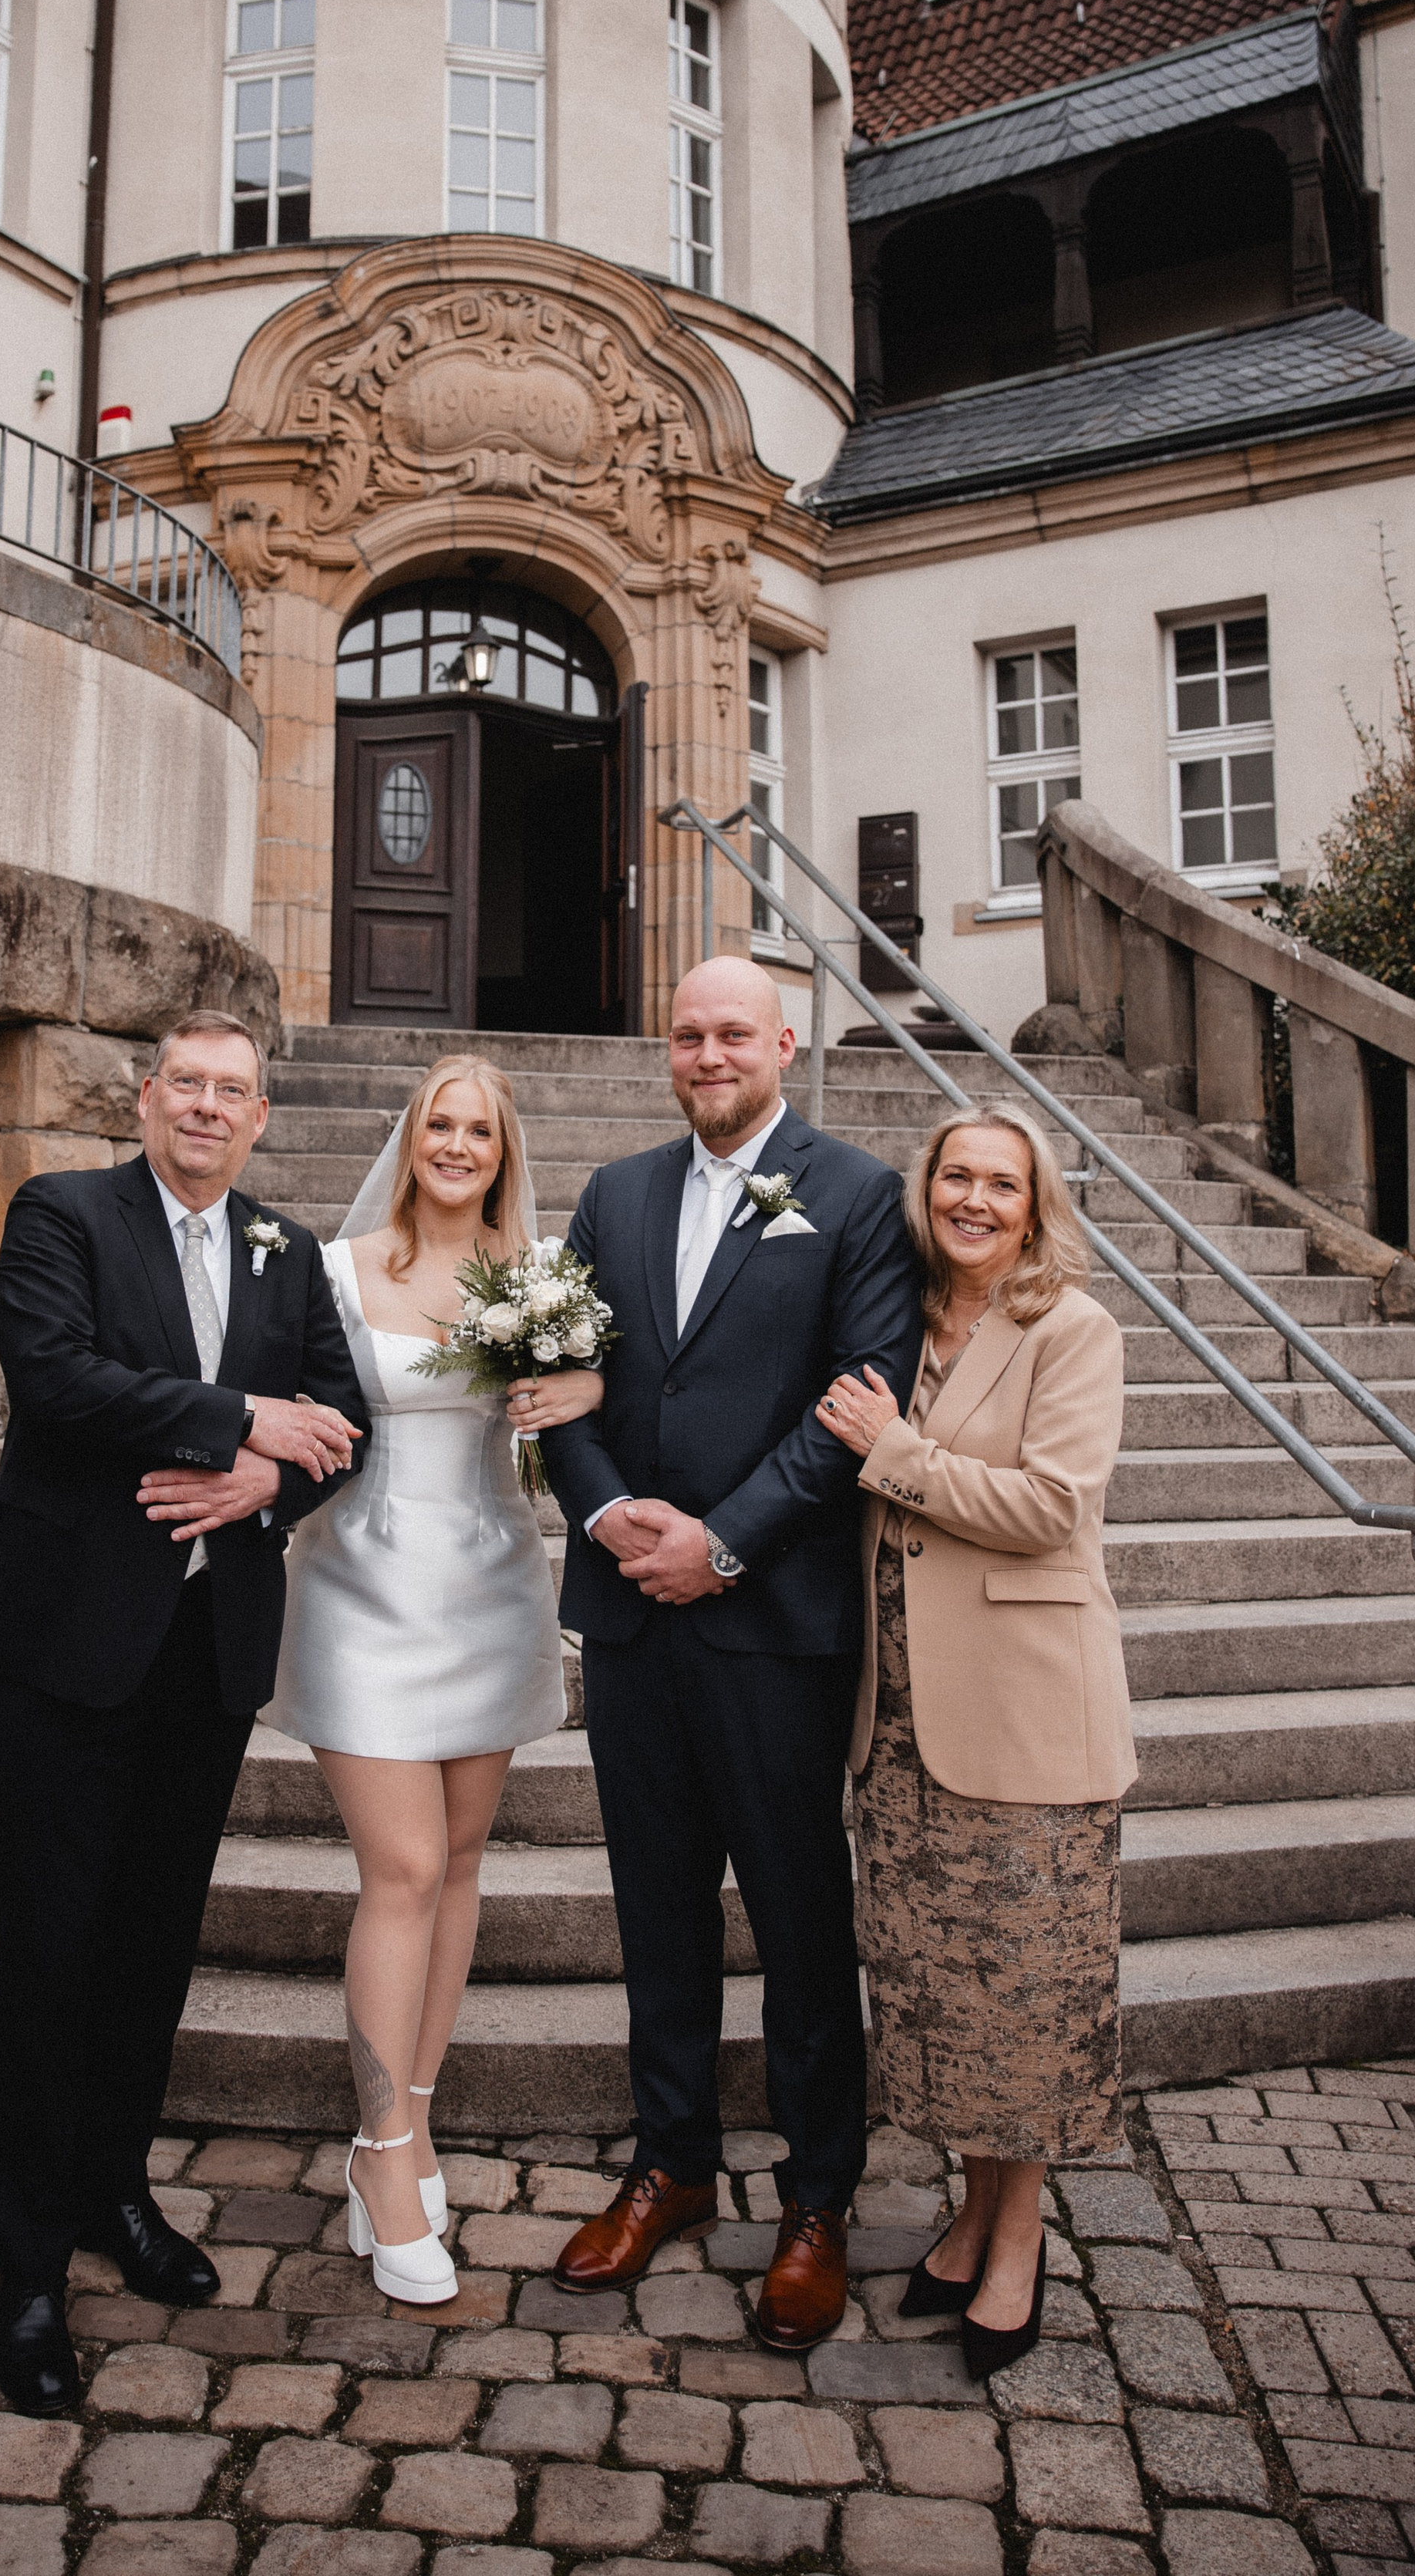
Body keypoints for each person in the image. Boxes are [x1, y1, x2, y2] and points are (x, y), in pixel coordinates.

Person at [0, 1011, 370, 2416]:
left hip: (205, 1650)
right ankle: (25, 2270)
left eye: (231, 1091)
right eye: (184, 1083)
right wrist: (240, 1420)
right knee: (53, 1951)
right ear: (147, 1099)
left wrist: (266, 1483)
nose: (205, 1107)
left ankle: (115, 2196)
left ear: (259, 1116)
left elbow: (342, 1417)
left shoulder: (287, 1251)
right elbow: (54, 1383)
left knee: (150, 1946)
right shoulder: (63, 1214)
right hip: (69, 1642)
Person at [540, 958, 925, 2352]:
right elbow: (553, 1373)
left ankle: (820, 2196)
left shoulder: (862, 1197)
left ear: (786, 1043)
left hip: (769, 1625)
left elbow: (857, 1405)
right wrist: (602, 1506)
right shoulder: (614, 1193)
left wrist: (728, 1541)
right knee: (656, 1906)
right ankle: (675, 2165)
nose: (709, 1055)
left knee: (799, 1914)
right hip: (633, 1610)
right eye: (688, 1036)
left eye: (733, 1036)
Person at [263, 1057, 599, 2300]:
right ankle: (383, 2155)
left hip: (496, 1584)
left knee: (460, 1868)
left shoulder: (540, 1279)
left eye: (479, 1130)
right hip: (363, 1584)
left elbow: (591, 1398)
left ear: (505, 1152)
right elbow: (294, 1410)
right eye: (438, 1125)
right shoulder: (336, 1271)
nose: (456, 1145)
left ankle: (416, 2105)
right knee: (401, 1868)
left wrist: (590, 1381)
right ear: (409, 1141)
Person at [819, 1100, 1133, 2379]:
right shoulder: (903, 1320)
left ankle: (1020, 2244)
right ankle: (968, 2211)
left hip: (1023, 1712)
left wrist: (892, 1454)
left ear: (1034, 1203)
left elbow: (1052, 1508)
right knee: (947, 1997)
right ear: (927, 1189)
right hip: (900, 1719)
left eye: (1002, 1185)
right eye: (958, 1177)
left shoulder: (1073, 1326)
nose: (976, 1202)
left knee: (1031, 2002)